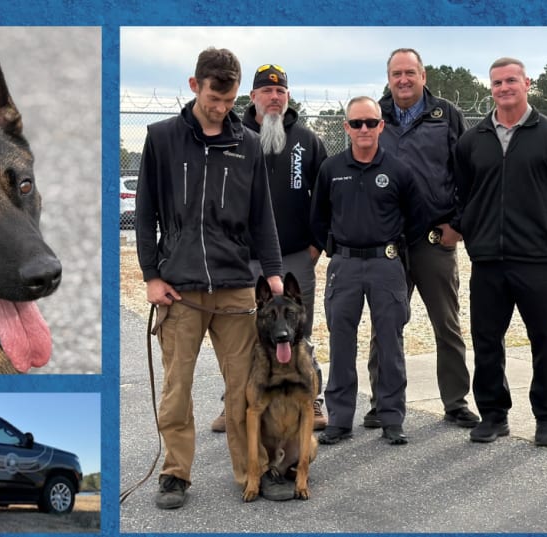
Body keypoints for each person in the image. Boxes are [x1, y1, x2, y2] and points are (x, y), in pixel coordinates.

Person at [135, 47, 285, 509]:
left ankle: (252, 472)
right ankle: (175, 474)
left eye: (228, 99)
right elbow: (144, 214)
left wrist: (275, 272)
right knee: (177, 388)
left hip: (236, 285)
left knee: (244, 389)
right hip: (179, 289)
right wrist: (151, 276)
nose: (220, 107)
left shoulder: (250, 144)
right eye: (213, 98)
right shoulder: (161, 139)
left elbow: (263, 216)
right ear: (194, 85)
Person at [452, 57, 547, 446]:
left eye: (511, 80)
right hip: (488, 261)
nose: (504, 88)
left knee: (544, 340)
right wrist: (476, 231)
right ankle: (494, 414)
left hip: (536, 261)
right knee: (487, 340)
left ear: (527, 83)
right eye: (497, 82)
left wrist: (544, 231)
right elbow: (463, 193)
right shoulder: (471, 140)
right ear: (489, 88)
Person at [362, 48, 480, 430]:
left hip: (434, 239)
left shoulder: (445, 116)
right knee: (386, 325)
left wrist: (458, 224)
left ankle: (456, 401)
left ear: (423, 75)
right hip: (389, 244)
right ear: (388, 77)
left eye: (410, 73)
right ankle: (382, 402)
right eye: (396, 74)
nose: (403, 80)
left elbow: (469, 174)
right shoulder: (374, 117)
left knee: (446, 325)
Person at [208, 63, 328, 433]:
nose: (274, 98)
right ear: (253, 96)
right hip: (244, 260)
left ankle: (313, 399)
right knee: (242, 338)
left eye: (281, 92)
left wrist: (315, 246)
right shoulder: (232, 137)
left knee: (298, 331)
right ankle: (237, 403)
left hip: (294, 258)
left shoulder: (307, 141)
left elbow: (325, 199)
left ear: (287, 97)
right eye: (267, 91)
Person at [310, 96, 422, 446]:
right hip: (343, 265)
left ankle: (391, 418)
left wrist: (395, 254)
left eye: (370, 123)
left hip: (385, 265)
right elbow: (317, 218)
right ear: (346, 127)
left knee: (390, 342)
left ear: (380, 126)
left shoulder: (399, 170)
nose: (363, 129)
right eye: (356, 123)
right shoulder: (331, 169)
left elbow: (416, 218)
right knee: (341, 343)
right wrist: (333, 250)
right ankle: (340, 419)